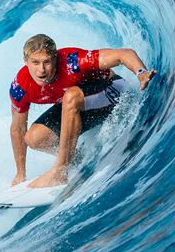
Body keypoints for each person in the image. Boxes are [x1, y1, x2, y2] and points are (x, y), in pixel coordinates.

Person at [9, 34, 156, 188]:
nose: (41, 70)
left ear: (55, 58)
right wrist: (20, 173)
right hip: (79, 106)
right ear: (26, 61)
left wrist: (141, 73)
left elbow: (123, 54)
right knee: (33, 138)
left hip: (112, 92)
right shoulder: (20, 87)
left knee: (70, 96)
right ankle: (77, 160)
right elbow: (17, 128)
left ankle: (61, 170)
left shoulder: (73, 62)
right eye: (35, 63)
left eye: (47, 62)